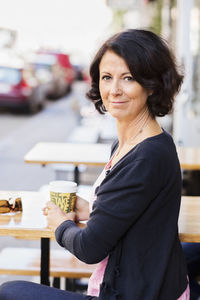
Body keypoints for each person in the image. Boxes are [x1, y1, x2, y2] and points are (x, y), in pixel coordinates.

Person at [0, 29, 189, 300]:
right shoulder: (134, 143)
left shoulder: (147, 156)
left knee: (9, 291)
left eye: (128, 78)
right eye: (107, 77)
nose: (114, 90)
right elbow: (137, 212)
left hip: (137, 292)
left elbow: (89, 249)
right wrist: (94, 211)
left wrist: (60, 224)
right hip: (145, 282)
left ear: (151, 84)